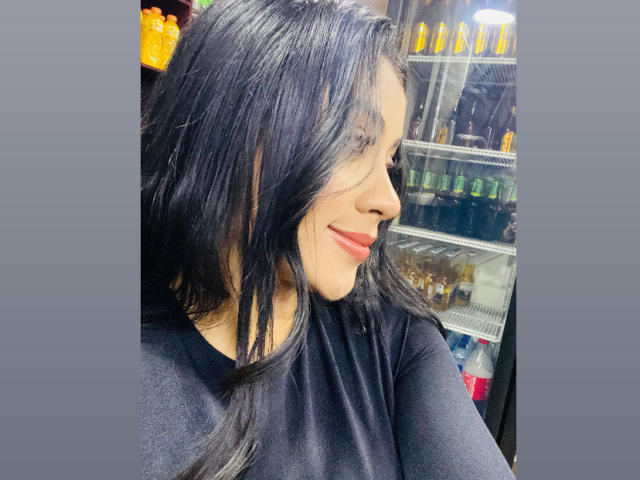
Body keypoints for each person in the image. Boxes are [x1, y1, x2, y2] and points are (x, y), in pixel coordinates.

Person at [141, 1, 516, 479]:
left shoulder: (389, 339)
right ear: (230, 125)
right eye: (353, 141)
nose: (390, 201)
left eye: (389, 160)